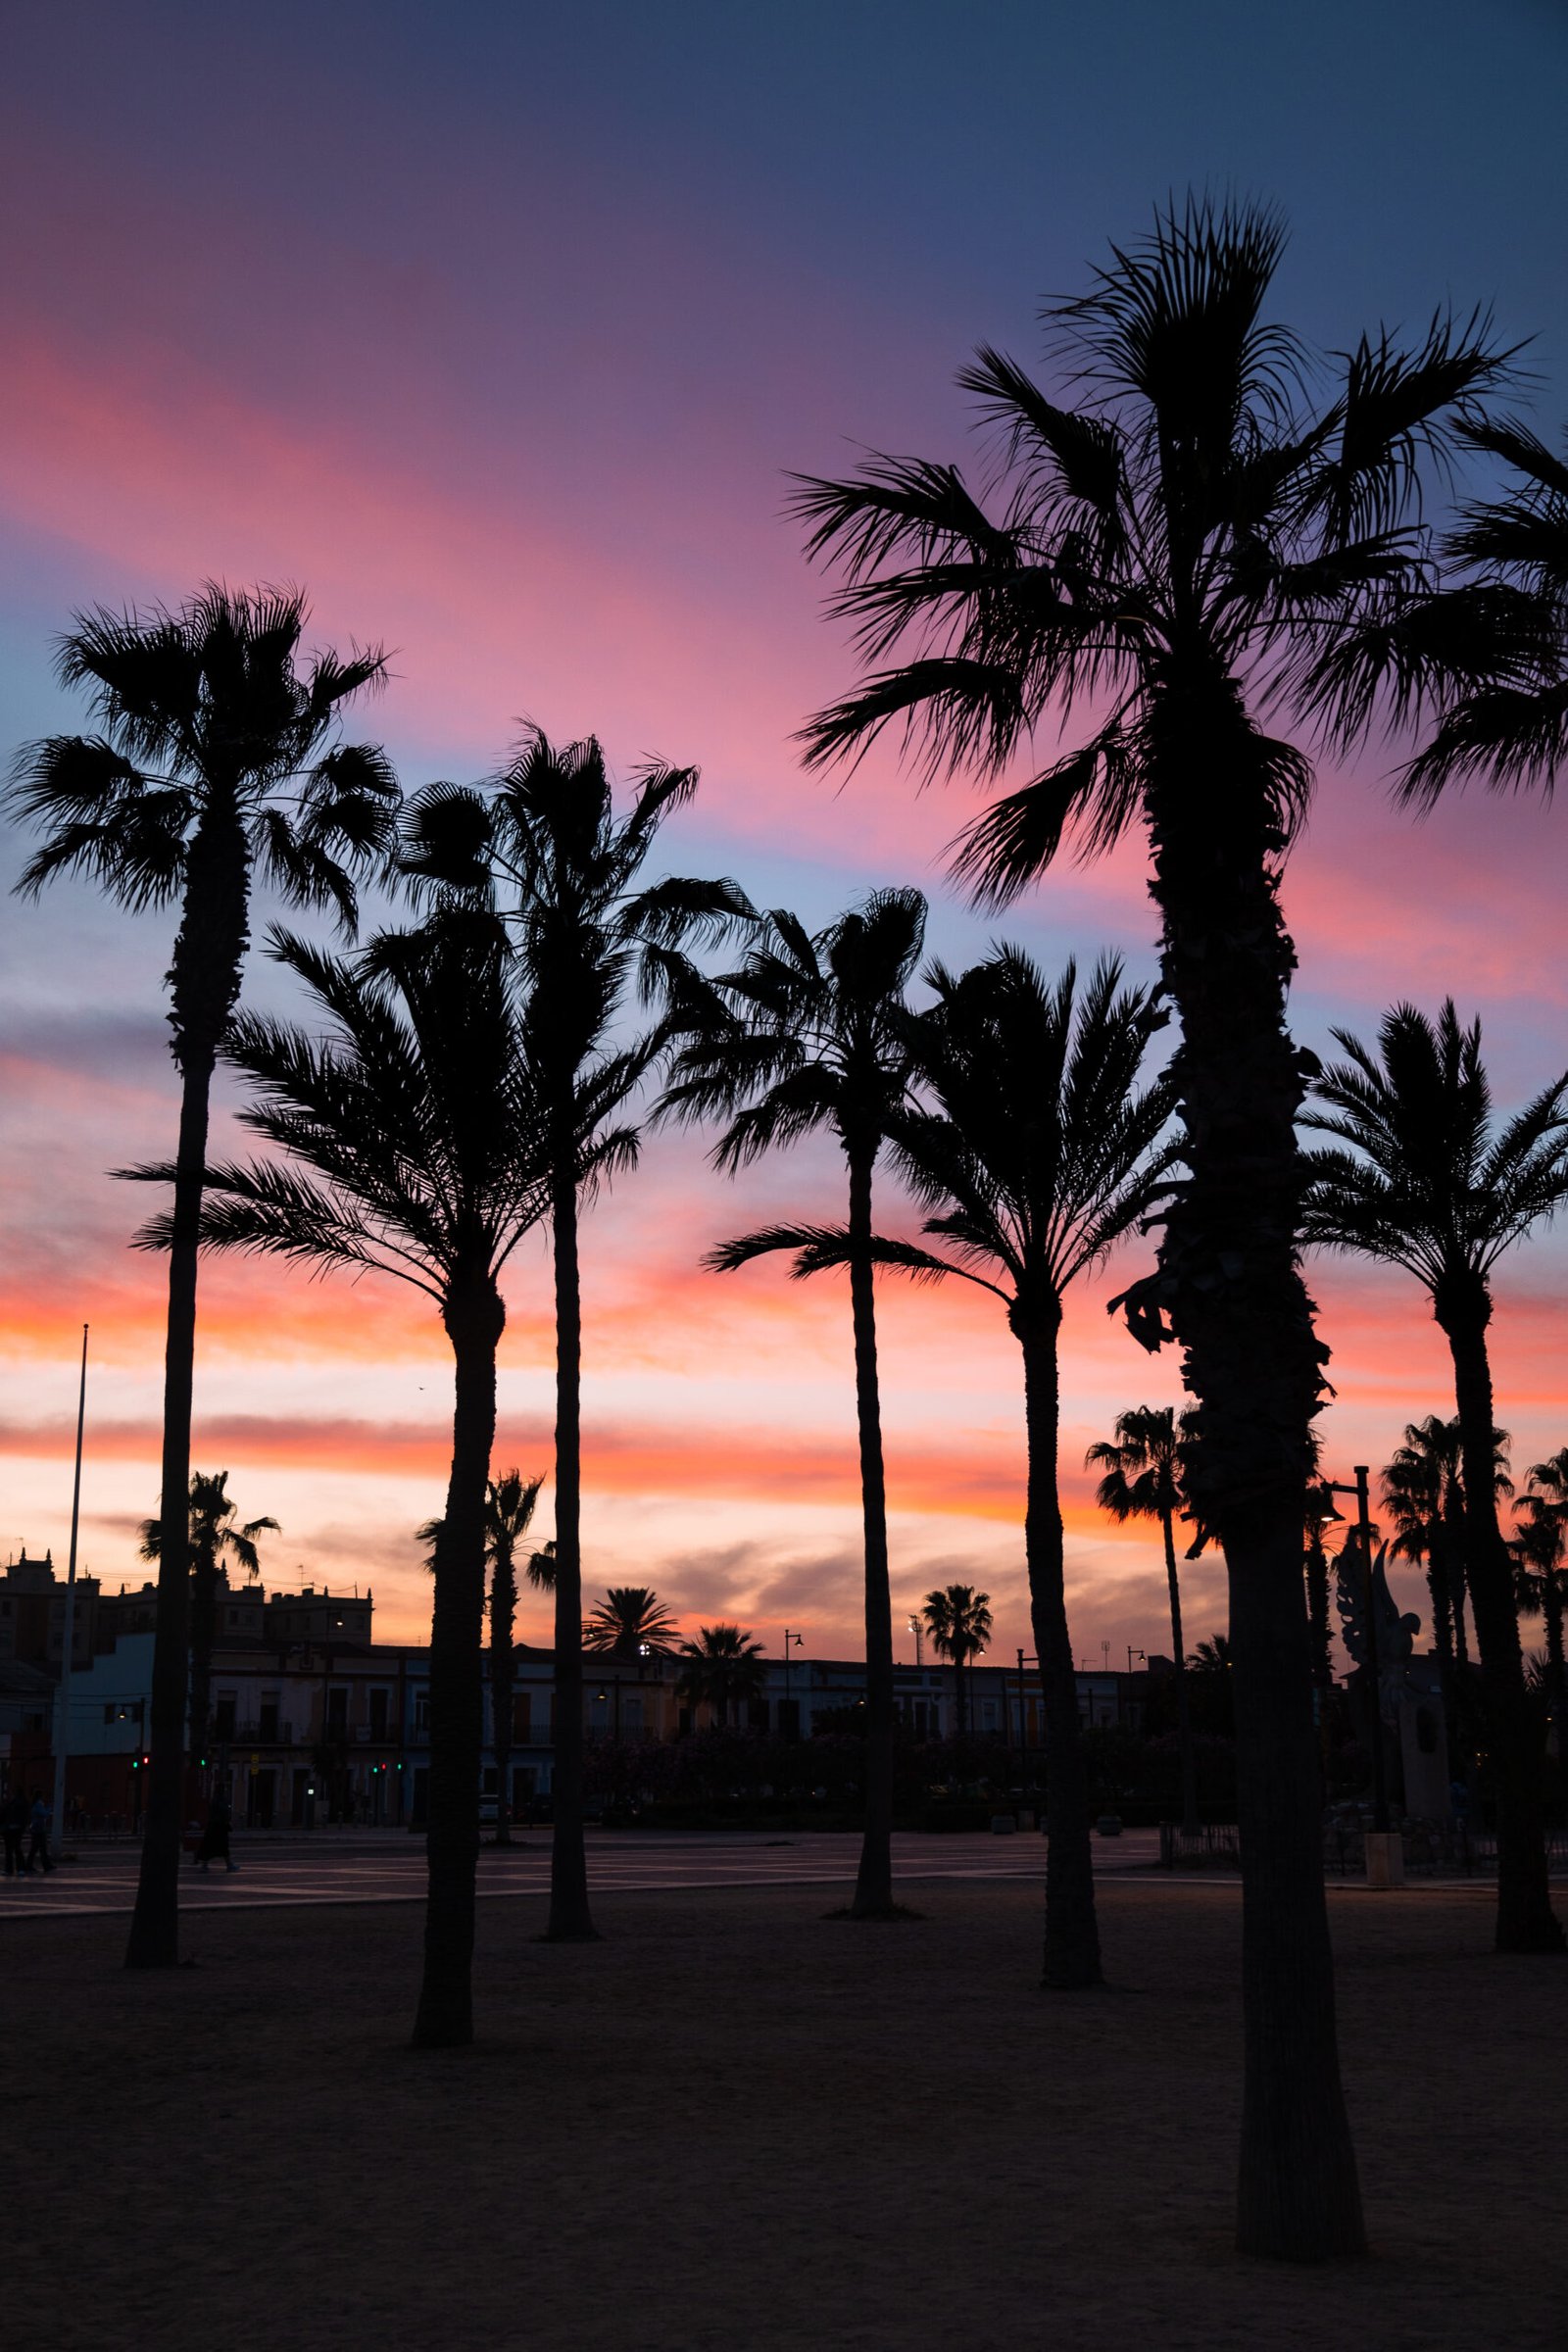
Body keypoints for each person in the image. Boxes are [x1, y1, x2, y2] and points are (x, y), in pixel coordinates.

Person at [193, 1789, 237, 1873]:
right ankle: (229, 1865)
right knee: (223, 1847)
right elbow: (225, 1813)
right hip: (219, 1827)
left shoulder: (212, 1800)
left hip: (212, 1826)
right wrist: (227, 1821)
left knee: (209, 1846)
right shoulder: (222, 1801)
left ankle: (205, 1865)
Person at [2, 1787, 28, 1877]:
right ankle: (19, 1868)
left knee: (11, 1850)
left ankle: (11, 1869)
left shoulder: (12, 1804)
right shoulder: (19, 1803)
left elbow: (3, 1815)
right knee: (16, 1849)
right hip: (14, 1829)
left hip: (11, 1829)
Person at [25, 1792, 53, 1874]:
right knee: (41, 1848)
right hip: (38, 1830)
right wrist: (48, 1808)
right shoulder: (38, 1804)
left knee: (36, 1848)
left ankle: (45, 1865)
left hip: (36, 1829)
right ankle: (45, 1866)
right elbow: (44, 1814)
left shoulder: (35, 1804)